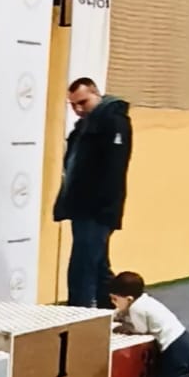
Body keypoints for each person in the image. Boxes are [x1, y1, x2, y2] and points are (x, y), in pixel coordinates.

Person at [54, 78, 132, 308]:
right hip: (82, 207)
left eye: (83, 102)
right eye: (73, 105)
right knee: (97, 265)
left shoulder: (115, 122)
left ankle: (78, 314)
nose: (78, 109)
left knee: (83, 266)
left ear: (96, 94)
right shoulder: (84, 127)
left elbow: (114, 170)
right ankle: (115, 309)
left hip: (97, 210)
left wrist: (104, 207)